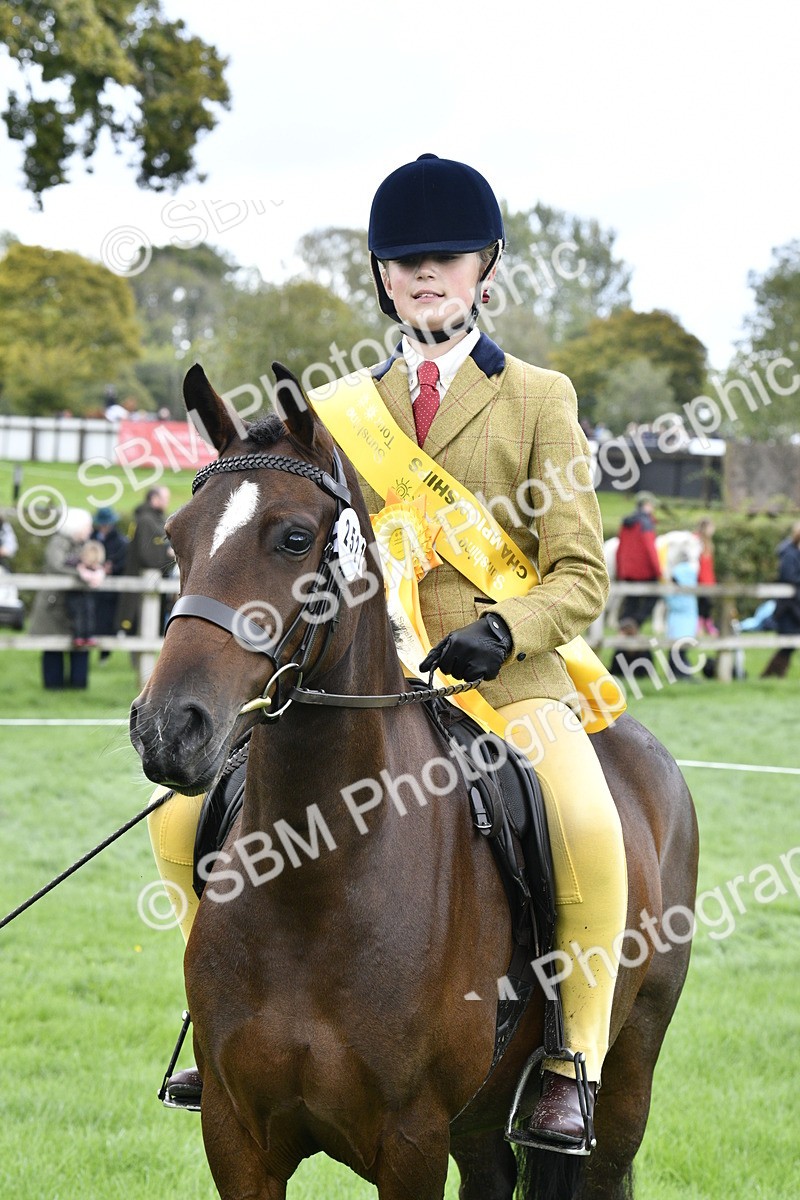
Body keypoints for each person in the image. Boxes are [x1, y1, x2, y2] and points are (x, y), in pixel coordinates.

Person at [153, 154, 628, 1150]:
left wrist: (503, 629)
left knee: (585, 819)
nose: (424, 272)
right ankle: (218, 1023)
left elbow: (581, 572)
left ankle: (568, 1062)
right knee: (180, 814)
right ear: (381, 276)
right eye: (405, 259)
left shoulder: (538, 397)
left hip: (503, 678)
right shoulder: (329, 415)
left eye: (445, 256)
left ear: (485, 267)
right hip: (361, 681)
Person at [28, 508, 104, 688]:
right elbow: (56, 565)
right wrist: (80, 573)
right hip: (54, 603)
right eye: (87, 526)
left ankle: (78, 685)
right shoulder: (58, 542)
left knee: (80, 643)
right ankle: (54, 686)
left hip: (73, 603)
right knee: (53, 645)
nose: (90, 530)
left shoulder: (82, 544)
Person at [117, 487, 173, 639]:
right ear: (154, 499)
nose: (167, 502)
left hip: (154, 581)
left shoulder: (157, 519)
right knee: (140, 626)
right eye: (165, 498)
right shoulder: (145, 521)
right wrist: (169, 556)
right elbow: (146, 554)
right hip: (142, 581)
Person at [615, 492, 662, 635]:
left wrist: (620, 570)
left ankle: (624, 631)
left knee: (631, 602)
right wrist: (658, 572)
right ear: (647, 505)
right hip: (644, 571)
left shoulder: (627, 522)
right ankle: (634, 625)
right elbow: (650, 550)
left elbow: (620, 548)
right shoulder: (646, 523)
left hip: (628, 571)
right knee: (655, 595)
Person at [761, 522, 800, 678]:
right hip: (788, 607)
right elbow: (788, 577)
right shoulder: (789, 554)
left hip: (795, 604)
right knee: (787, 644)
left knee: (790, 645)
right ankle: (769, 676)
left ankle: (775, 676)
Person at [91, 506, 129, 657]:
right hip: (92, 586)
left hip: (110, 591)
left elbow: (123, 562)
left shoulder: (120, 541)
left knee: (107, 619)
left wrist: (112, 568)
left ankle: (105, 653)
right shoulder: (92, 537)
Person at [665, 540, 700, 679]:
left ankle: (679, 674)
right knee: (681, 649)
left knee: (675, 649)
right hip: (688, 616)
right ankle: (680, 673)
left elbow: (671, 594)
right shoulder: (691, 573)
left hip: (677, 616)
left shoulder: (676, 573)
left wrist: (667, 596)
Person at [695, 517, 718, 636]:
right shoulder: (697, 542)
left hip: (708, 580)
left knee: (707, 604)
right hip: (701, 580)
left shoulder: (708, 544)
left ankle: (705, 626)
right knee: (703, 604)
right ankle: (701, 627)